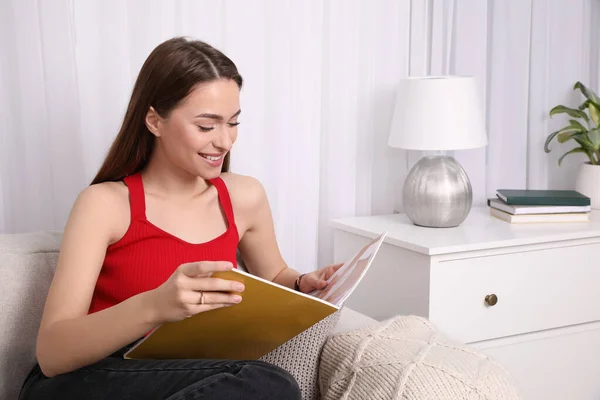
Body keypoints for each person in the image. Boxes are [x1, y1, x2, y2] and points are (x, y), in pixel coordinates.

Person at [18, 37, 342, 400]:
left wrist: (303, 284)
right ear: (155, 120)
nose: (225, 141)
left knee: (264, 383)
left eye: (233, 123)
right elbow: (51, 354)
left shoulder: (244, 197)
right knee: (267, 383)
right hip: (87, 379)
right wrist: (156, 306)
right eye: (207, 126)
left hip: (193, 378)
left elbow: (274, 275)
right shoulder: (105, 204)